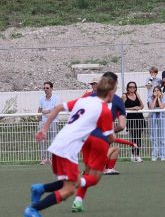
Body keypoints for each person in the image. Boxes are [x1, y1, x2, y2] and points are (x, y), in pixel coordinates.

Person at [23, 76, 116, 217]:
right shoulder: (104, 111)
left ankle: (39, 189)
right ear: (110, 93)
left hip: (58, 144)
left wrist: (44, 129)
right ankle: (33, 209)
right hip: (68, 150)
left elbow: (58, 107)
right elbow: (110, 137)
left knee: (67, 182)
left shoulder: (84, 100)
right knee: (70, 189)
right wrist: (113, 137)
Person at [71, 72, 135, 212]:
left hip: (86, 138)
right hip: (101, 140)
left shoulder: (89, 96)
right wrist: (110, 132)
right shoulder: (118, 101)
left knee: (87, 171)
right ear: (115, 85)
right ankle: (72, 186)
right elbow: (122, 125)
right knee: (94, 177)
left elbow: (76, 112)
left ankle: (77, 200)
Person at [122, 81, 145, 162]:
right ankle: (132, 154)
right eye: (130, 87)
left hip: (139, 117)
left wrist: (138, 107)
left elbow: (142, 105)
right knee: (133, 137)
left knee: (139, 137)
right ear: (127, 88)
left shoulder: (137, 95)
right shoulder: (124, 96)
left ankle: (137, 155)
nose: (132, 88)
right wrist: (132, 108)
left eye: (134, 87)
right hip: (131, 118)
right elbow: (121, 107)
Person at [37, 81, 59, 165]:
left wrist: (47, 111)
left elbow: (56, 108)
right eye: (44, 88)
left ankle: (52, 158)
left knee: (53, 140)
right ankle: (43, 158)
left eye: (47, 88)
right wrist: (39, 120)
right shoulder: (41, 98)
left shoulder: (56, 98)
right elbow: (39, 109)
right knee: (42, 140)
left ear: (51, 89)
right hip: (43, 122)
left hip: (53, 121)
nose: (45, 90)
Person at [148, 86, 165, 161]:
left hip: (162, 117)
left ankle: (163, 154)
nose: (156, 92)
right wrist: (155, 98)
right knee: (154, 136)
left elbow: (162, 106)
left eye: (158, 90)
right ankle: (154, 155)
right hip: (153, 118)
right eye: (155, 91)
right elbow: (152, 107)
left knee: (163, 136)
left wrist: (159, 98)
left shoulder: (164, 97)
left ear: (160, 91)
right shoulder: (150, 98)